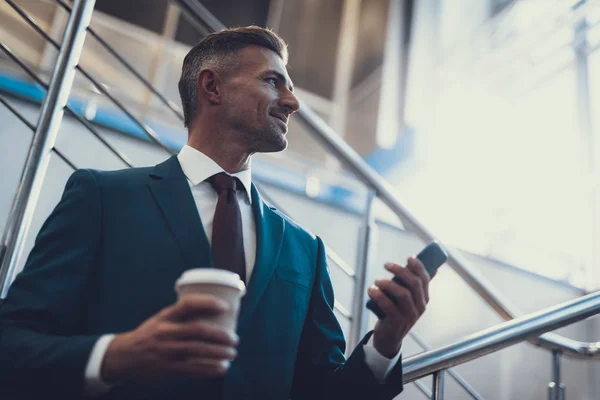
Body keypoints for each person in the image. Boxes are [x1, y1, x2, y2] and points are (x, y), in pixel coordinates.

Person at [0, 26, 433, 400]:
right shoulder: (103, 197)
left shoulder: (306, 250)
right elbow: (13, 341)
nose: (293, 103)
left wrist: (387, 340)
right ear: (212, 87)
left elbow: (322, 390)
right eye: (272, 82)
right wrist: (118, 354)